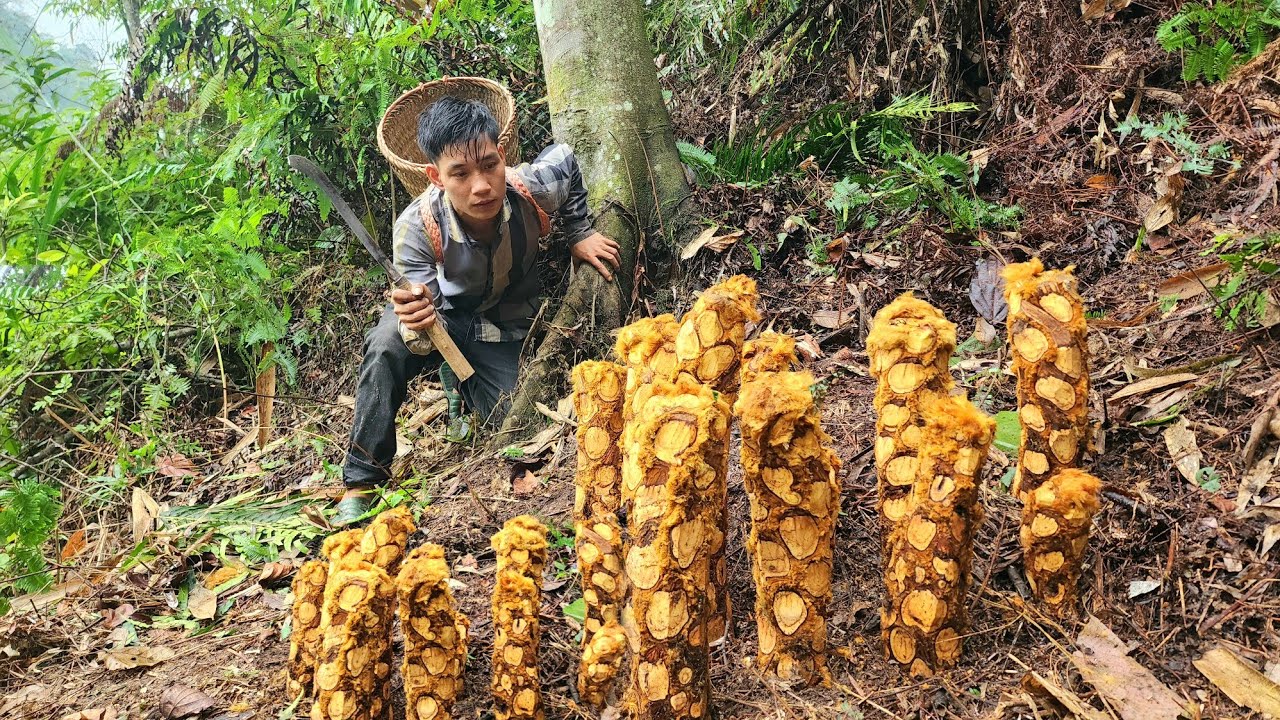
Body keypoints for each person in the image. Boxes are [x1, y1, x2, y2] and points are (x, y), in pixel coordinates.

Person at [336, 96, 621, 523]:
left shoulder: (531, 186)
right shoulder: (416, 228)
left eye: (489, 165)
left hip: (508, 322)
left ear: (501, 155)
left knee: (516, 422)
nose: (482, 185)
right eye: (460, 174)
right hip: (449, 319)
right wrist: (416, 321)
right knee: (387, 341)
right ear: (435, 177)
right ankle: (362, 479)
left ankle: (464, 384)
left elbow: (566, 157)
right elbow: (422, 310)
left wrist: (578, 232)